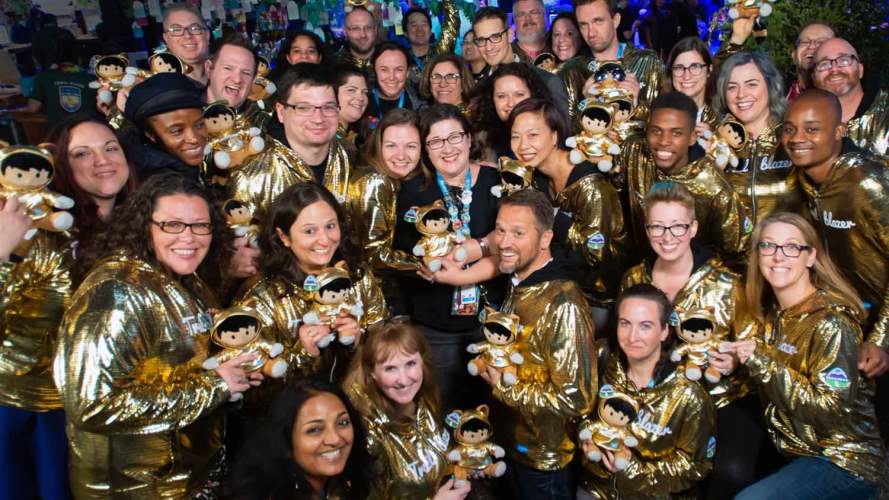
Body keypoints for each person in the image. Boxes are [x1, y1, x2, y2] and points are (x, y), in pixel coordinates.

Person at [53, 173, 253, 498]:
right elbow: (92, 405)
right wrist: (216, 386)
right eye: (172, 225)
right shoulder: (117, 293)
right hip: (136, 487)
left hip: (188, 476)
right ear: (145, 226)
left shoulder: (188, 279)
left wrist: (235, 371)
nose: (189, 238)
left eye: (200, 225)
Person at [722, 212, 886, 500]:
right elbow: (781, 370)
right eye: (768, 246)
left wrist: (760, 362)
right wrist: (739, 363)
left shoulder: (830, 323)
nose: (778, 256)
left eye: (791, 247)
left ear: (810, 257)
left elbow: (830, 412)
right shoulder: (775, 316)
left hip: (844, 460)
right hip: (797, 452)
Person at [619, 182, 761, 498]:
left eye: (677, 226)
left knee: (731, 472)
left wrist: (735, 359)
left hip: (720, 397)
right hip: (656, 396)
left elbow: (754, 343)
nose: (667, 237)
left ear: (693, 227)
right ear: (646, 228)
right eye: (657, 226)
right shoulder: (633, 279)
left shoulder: (726, 283)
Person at [784, 90, 889, 435]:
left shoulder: (868, 183)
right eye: (790, 128)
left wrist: (883, 338)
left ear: (839, 131)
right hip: (850, 327)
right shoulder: (803, 180)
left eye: (812, 129)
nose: (797, 138)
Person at [480, 188, 594, 500]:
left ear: (545, 239)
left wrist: (506, 388)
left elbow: (577, 398)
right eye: (501, 230)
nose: (504, 242)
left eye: (518, 233)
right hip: (509, 444)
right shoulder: (516, 281)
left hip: (544, 464)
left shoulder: (564, 303)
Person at [393, 104, 505, 413]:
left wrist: (476, 250)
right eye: (436, 141)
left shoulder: (497, 182)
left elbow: (514, 245)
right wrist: (488, 247)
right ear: (426, 150)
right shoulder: (414, 191)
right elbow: (419, 258)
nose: (448, 148)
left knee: (495, 413)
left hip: (494, 325)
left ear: (470, 139)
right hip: (436, 327)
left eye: (455, 137)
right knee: (445, 412)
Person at [235, 182, 387, 385]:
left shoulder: (358, 275)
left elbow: (386, 343)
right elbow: (253, 379)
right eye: (309, 231)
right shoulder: (261, 295)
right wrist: (303, 352)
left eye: (330, 226)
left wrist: (358, 341)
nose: (324, 240)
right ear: (284, 237)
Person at [579, 284, 716, 498]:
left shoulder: (689, 394)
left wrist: (631, 471)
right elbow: (577, 413)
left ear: (664, 331)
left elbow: (696, 466)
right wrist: (587, 439)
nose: (632, 336)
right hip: (596, 488)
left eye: (645, 326)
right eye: (625, 323)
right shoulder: (602, 357)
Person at [509, 97, 626, 329]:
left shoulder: (590, 184)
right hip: (554, 289)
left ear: (555, 136)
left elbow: (600, 254)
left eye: (533, 135)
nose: (522, 146)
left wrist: (560, 224)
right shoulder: (535, 181)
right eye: (515, 136)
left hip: (596, 300)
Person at [344, 319, 472, 500]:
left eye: (410, 364)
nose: (403, 380)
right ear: (371, 373)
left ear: (422, 362)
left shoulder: (426, 399)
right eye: (390, 368)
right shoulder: (367, 436)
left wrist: (466, 462)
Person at [621, 92, 751, 268]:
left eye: (676, 133)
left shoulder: (713, 185)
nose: (664, 141)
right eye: (656, 131)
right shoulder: (634, 151)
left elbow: (739, 252)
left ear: (692, 137)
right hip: (640, 277)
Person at [228, 64, 353, 222]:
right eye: (303, 108)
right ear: (280, 112)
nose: (318, 119)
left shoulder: (352, 159)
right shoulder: (252, 178)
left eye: (328, 107)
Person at [227, 377, 372, 499]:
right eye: (314, 430)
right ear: (284, 439)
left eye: (342, 423)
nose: (335, 439)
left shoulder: (343, 482)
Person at [347, 109, 422, 314]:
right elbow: (375, 255)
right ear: (378, 146)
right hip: (370, 298)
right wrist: (426, 264)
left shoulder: (393, 180)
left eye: (411, 146)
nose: (401, 155)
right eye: (391, 146)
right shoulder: (375, 181)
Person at [712, 51, 792, 225]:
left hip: (783, 250)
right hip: (729, 252)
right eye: (732, 87)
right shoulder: (716, 143)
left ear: (771, 86)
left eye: (751, 84)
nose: (741, 95)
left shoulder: (792, 138)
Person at [563, 0, 665, 122]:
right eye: (584, 25)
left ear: (616, 20)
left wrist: (636, 105)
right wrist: (586, 104)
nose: (591, 33)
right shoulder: (572, 70)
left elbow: (663, 125)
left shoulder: (648, 61)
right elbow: (565, 132)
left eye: (598, 21)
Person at [471, 7, 570, 117]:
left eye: (495, 37)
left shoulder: (547, 81)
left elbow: (562, 130)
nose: (488, 47)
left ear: (510, 35)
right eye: (481, 40)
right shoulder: (478, 90)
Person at [119, 72, 209, 180]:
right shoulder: (161, 186)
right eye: (177, 131)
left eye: (199, 125)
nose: (193, 138)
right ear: (150, 135)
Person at [811, 38, 889, 158]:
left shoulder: (885, 115)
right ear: (814, 78)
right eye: (824, 64)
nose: (834, 69)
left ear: (860, 70)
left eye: (844, 60)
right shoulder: (804, 125)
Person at [471, 63, 552, 159]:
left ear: (534, 95)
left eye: (519, 94)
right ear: (492, 100)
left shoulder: (550, 134)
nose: (510, 103)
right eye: (501, 96)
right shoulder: (483, 140)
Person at [27, 26, 98, 122]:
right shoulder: (91, 79)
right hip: (89, 131)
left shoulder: (43, 77)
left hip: (59, 134)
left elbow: (33, 108)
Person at [362, 42, 423, 133]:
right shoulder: (361, 103)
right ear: (374, 70)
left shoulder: (420, 106)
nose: (391, 77)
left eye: (399, 69)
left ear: (407, 72)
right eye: (384, 69)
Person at [664, 36, 717, 133]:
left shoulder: (722, 119)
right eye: (679, 68)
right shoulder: (659, 114)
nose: (686, 76)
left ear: (709, 70)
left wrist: (715, 141)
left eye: (695, 67)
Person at [402, 3, 459, 86]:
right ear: (405, 33)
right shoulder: (402, 60)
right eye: (414, 25)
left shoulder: (441, 51)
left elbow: (453, 20)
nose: (420, 29)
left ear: (430, 30)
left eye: (424, 24)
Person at [161, 3, 211, 86]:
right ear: (166, 39)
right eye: (176, 30)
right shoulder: (158, 89)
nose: (187, 35)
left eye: (194, 28)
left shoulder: (229, 78)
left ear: (207, 35)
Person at [204, 36, 257, 110]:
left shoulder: (259, 117)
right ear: (208, 69)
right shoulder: (184, 106)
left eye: (246, 73)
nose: (237, 79)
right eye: (228, 68)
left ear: (253, 80)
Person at [787, 21, 835, 100]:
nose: (812, 46)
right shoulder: (773, 97)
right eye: (805, 42)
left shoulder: (850, 100)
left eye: (821, 42)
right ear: (794, 56)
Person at [332, 64, 370, 152]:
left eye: (364, 92)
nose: (360, 97)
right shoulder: (323, 138)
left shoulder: (357, 137)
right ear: (332, 93)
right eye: (351, 90)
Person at [336, 6, 377, 73]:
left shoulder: (390, 59)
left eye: (368, 28)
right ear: (345, 31)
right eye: (355, 28)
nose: (363, 35)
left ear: (375, 30)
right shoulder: (333, 66)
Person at [511, 0, 549, 64]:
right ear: (514, 20)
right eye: (521, 15)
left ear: (544, 16)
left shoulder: (560, 49)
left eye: (534, 13)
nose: (528, 19)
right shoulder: (507, 56)